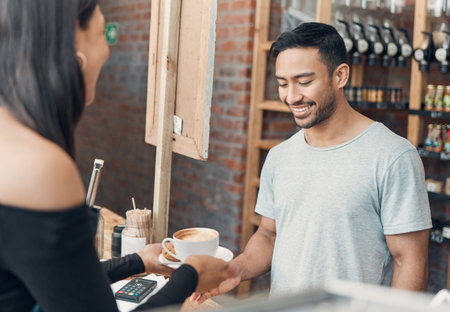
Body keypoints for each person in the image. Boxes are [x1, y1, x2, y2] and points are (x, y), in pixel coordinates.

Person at [0, 0, 237, 311]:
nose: (108, 51)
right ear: (72, 44)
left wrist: (137, 261)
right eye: (102, 35)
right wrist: (190, 276)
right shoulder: (40, 167)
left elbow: (60, 278)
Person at [194, 22, 432, 302]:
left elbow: (410, 261)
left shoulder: (393, 156)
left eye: (304, 82)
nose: (292, 96)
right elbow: (269, 235)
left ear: (340, 76)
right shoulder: (279, 157)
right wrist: (236, 268)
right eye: (283, 83)